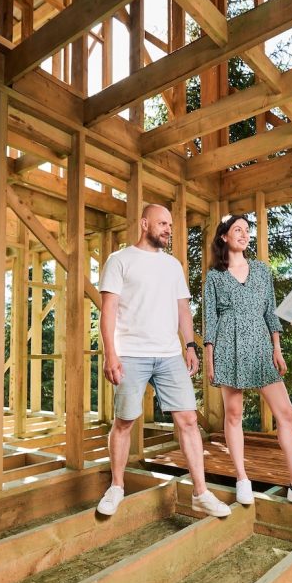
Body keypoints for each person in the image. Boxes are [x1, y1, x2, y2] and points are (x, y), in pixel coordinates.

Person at [97, 204, 232, 518]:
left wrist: (189, 346)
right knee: (125, 422)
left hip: (170, 354)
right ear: (144, 224)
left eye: (170, 225)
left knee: (187, 421)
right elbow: (109, 311)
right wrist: (110, 353)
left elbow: (183, 309)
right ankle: (116, 486)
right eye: (162, 223)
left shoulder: (173, 266)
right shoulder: (119, 260)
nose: (168, 229)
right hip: (130, 353)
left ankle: (200, 492)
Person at [203, 215, 292, 512]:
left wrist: (277, 348)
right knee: (233, 414)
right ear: (223, 237)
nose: (244, 234)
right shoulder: (215, 276)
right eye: (237, 230)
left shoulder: (261, 270)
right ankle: (242, 480)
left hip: (261, 345)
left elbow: (270, 312)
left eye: (247, 231)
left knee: (285, 413)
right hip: (228, 345)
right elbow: (210, 318)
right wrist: (209, 357)